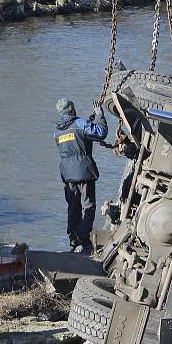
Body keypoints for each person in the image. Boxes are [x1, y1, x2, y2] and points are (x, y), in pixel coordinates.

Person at [54, 98, 108, 254]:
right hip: (83, 172)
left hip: (67, 174)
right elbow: (101, 133)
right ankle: (83, 236)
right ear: (72, 109)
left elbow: (73, 140)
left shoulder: (57, 131)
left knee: (73, 206)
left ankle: (73, 236)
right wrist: (99, 115)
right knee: (88, 206)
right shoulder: (79, 123)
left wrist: (89, 122)